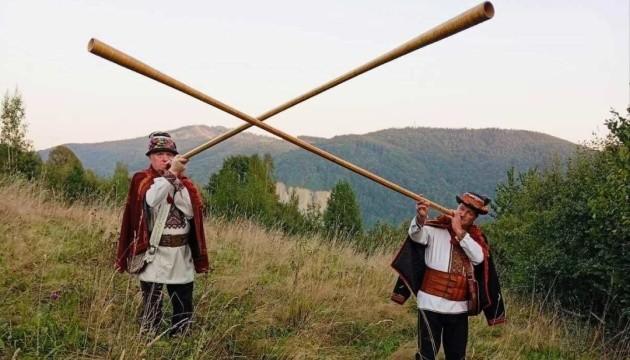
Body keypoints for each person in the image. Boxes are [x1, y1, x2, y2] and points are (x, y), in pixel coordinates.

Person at [390, 192, 506, 360]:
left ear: (474, 218)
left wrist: (459, 230)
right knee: (426, 355)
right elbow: (416, 236)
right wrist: (420, 218)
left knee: (457, 356)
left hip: (458, 309)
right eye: (461, 208)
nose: (463, 214)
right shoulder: (435, 228)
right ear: (457, 208)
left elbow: (479, 258)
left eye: (469, 213)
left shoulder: (475, 239)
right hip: (430, 304)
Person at [116, 131, 209, 336]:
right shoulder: (142, 180)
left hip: (180, 254)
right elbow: (151, 200)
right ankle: (148, 344)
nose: (165, 158)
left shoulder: (185, 184)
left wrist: (175, 180)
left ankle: (180, 341)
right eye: (159, 154)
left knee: (183, 307)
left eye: (169, 154)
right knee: (151, 308)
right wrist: (171, 175)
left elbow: (190, 211)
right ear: (150, 157)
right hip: (154, 253)